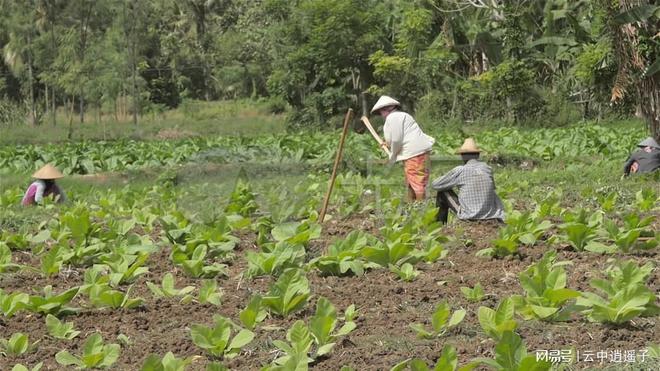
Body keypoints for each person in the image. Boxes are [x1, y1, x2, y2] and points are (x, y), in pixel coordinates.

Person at [371, 95, 435, 201]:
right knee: (411, 180)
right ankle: (412, 204)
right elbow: (396, 138)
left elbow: (396, 140)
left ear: (386, 109)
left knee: (417, 181)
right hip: (417, 152)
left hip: (415, 153)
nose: (381, 115)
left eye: (381, 112)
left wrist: (393, 155)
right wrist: (387, 144)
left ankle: (420, 208)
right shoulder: (402, 116)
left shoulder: (393, 117)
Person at [431, 138, 505, 224]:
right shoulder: (487, 168)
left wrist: (452, 183)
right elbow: (492, 188)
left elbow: (435, 185)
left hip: (470, 216)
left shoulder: (461, 170)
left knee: (443, 192)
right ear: (477, 155)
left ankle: (440, 225)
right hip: (491, 215)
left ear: (462, 156)